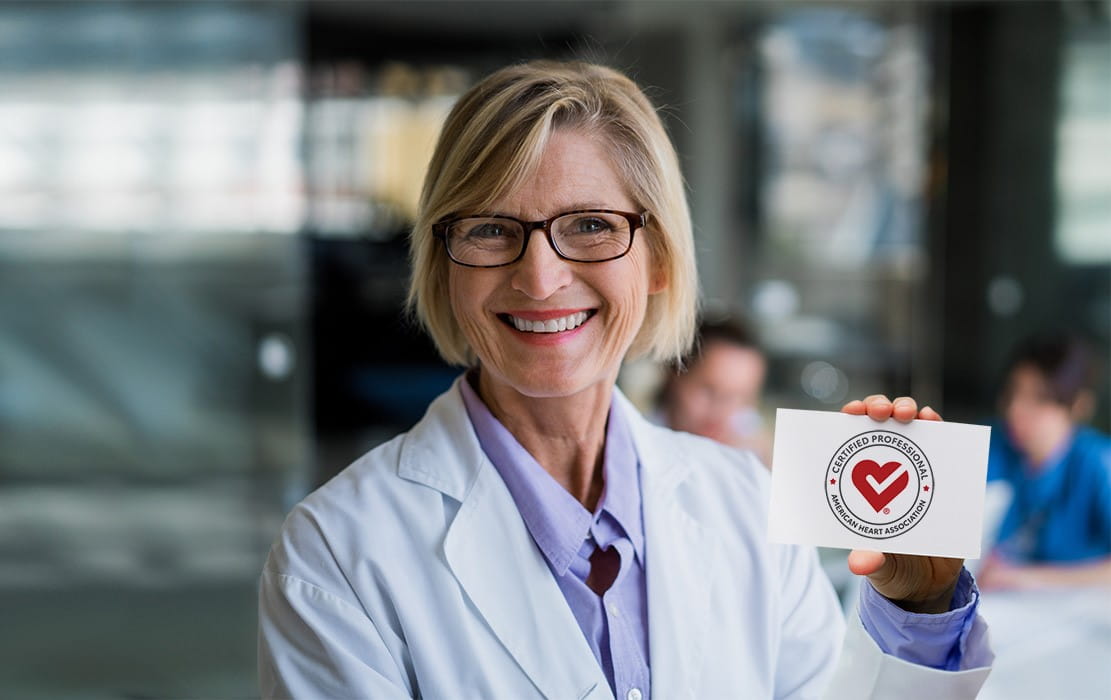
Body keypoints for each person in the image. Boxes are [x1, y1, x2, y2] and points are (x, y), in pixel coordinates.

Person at [258, 60, 993, 699]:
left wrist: (919, 612)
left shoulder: (747, 505)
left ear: (660, 258)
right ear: (444, 266)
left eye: (589, 225)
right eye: (488, 228)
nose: (540, 278)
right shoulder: (337, 554)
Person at [978, 331, 1111, 590]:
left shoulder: (1099, 463)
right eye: (1012, 393)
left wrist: (1023, 577)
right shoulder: (992, 445)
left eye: (1039, 398)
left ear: (1078, 406)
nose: (1016, 409)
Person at [660, 316, 772, 464]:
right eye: (709, 391)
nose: (721, 410)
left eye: (738, 397)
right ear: (674, 375)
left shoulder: (754, 453)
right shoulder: (638, 442)